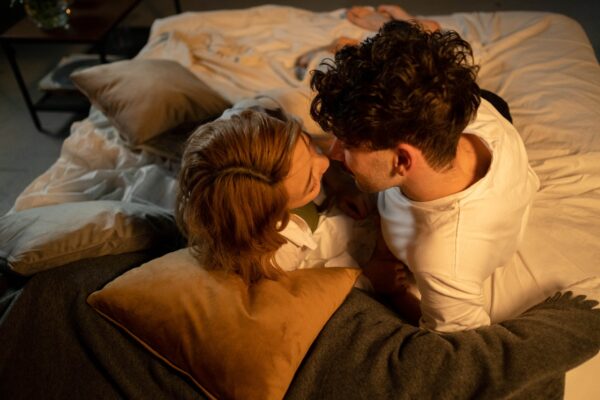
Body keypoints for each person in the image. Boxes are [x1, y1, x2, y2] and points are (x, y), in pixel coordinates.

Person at [310, 20, 540, 332]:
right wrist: (381, 252)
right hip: (492, 118)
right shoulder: (460, 110)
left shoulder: (445, 259)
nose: (333, 152)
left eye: (348, 145)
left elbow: (458, 343)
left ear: (403, 160)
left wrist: (391, 292)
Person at [175, 109, 376, 289]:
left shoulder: (260, 136)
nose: (325, 162)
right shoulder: (278, 257)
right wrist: (368, 273)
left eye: (310, 146)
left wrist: (338, 185)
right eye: (310, 183)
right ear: (273, 211)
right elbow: (323, 284)